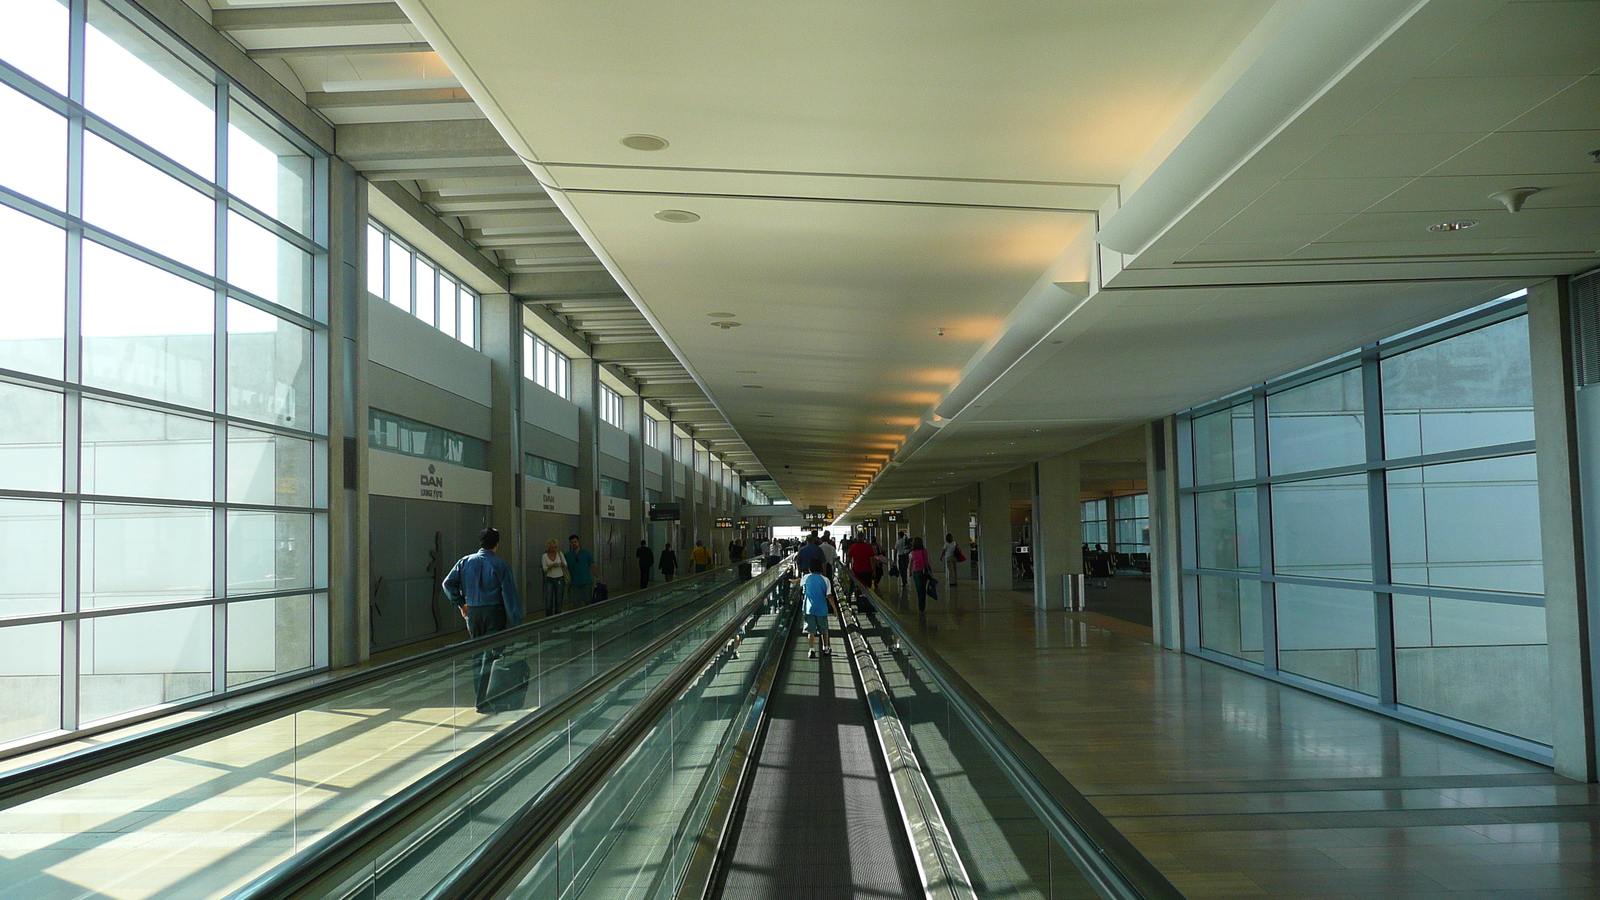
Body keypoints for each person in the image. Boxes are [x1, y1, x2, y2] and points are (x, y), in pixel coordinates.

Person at [442, 527, 524, 712]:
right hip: (494, 612)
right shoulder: (501, 565)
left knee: (478, 654)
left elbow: (447, 584)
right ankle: (485, 698)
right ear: (497, 544)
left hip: (473, 613)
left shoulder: (464, 562)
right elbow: (510, 596)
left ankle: (480, 697)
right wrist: (517, 622)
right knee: (493, 654)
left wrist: (461, 603)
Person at [800, 558, 836, 659]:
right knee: (824, 630)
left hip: (809, 609)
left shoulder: (805, 577)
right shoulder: (825, 580)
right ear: (820, 568)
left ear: (809, 568)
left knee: (811, 631)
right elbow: (829, 595)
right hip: (822, 609)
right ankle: (826, 647)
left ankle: (811, 650)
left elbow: (803, 589)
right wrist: (835, 609)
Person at [538, 538, 568, 617]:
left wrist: (560, 564)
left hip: (560, 578)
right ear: (548, 547)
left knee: (559, 600)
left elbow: (565, 564)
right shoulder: (544, 556)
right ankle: (549, 618)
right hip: (550, 579)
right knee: (548, 601)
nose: (554, 549)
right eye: (552, 547)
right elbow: (544, 568)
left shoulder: (560, 553)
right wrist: (551, 566)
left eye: (555, 547)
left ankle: (558, 617)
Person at [565, 534, 598, 606]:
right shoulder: (567, 555)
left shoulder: (586, 553)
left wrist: (597, 577)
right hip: (574, 583)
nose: (574, 544)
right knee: (576, 602)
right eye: (572, 542)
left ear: (578, 542)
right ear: (570, 544)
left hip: (586, 581)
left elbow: (592, 565)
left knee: (588, 601)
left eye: (575, 541)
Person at [909, 536, 934, 611]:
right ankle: (922, 606)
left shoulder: (912, 552)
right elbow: (928, 561)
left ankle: (921, 607)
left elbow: (910, 563)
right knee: (923, 588)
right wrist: (930, 570)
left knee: (919, 589)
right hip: (924, 571)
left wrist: (910, 571)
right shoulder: (925, 551)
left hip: (916, 572)